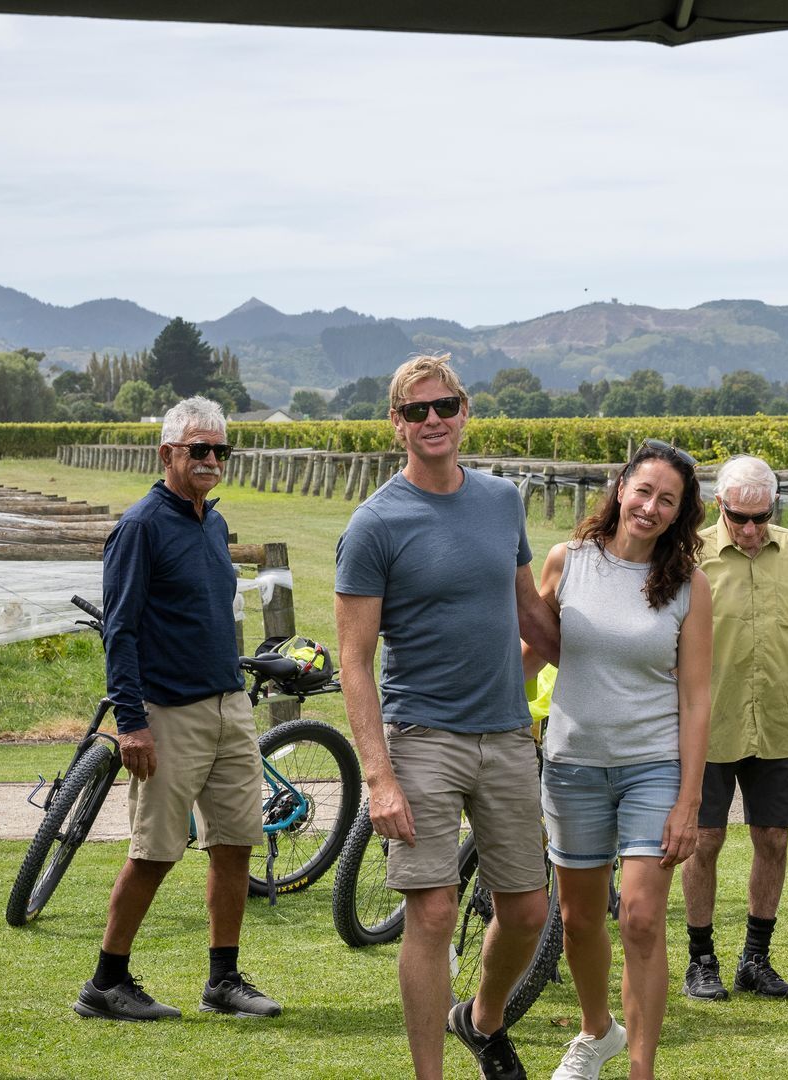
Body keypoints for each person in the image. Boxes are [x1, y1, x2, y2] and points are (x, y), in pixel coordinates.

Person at [335, 354, 560, 1080]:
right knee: (431, 915)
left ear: (465, 412)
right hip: (420, 737)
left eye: (444, 406)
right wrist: (379, 778)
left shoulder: (503, 501)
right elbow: (355, 662)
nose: (432, 420)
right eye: (415, 411)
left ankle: (482, 1018)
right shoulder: (374, 525)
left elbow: (532, 615)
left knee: (528, 912)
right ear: (395, 424)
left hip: (505, 734)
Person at [77, 395, 282, 1023]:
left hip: (228, 706)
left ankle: (223, 979)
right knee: (156, 849)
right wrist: (131, 721)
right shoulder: (140, 526)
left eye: (222, 449)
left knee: (236, 840)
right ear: (167, 453)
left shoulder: (211, 523)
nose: (212, 459)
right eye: (199, 449)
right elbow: (122, 631)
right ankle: (106, 982)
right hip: (168, 714)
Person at [535, 439, 712, 1080]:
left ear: (680, 514)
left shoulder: (689, 586)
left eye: (668, 500)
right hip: (573, 764)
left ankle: (641, 1069)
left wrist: (689, 800)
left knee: (639, 918)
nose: (651, 507)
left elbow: (696, 701)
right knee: (579, 921)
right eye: (643, 491)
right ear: (620, 488)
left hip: (652, 766)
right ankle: (596, 1032)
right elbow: (532, 652)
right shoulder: (567, 562)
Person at [680, 455, 788, 1002]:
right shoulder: (691, 554)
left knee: (773, 838)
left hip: (776, 724)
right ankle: (701, 959)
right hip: (707, 726)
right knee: (704, 840)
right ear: (718, 506)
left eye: (761, 517)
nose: (751, 530)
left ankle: (757, 959)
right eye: (738, 518)